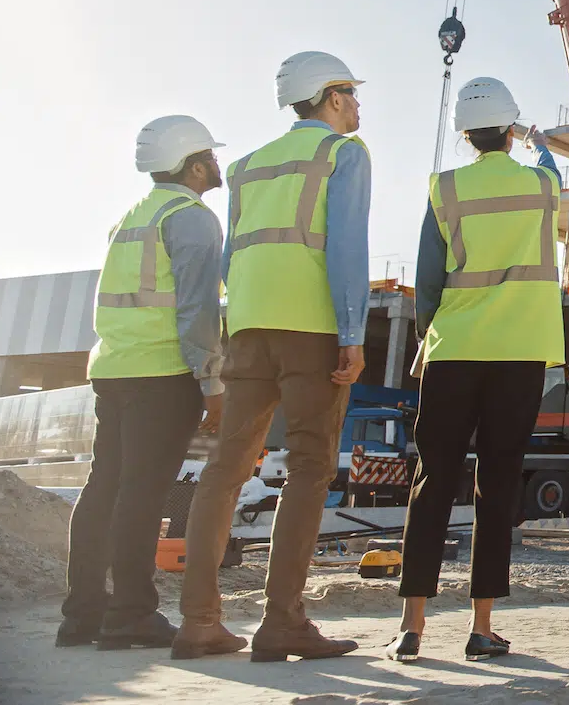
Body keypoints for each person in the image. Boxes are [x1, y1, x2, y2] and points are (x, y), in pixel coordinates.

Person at [173, 51, 371, 663]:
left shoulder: (249, 165)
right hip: (310, 328)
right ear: (332, 98)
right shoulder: (344, 154)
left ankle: (199, 621)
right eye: (354, 95)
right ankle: (281, 620)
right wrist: (352, 332)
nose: (359, 106)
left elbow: (234, 255)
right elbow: (346, 249)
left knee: (226, 470)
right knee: (311, 466)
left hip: (249, 327)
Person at [392, 77, 561, 663]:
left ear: (465, 134)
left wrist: (427, 335)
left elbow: (428, 277)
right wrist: (539, 143)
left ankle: (411, 626)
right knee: (497, 485)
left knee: (432, 481)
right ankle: (481, 627)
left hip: (454, 349)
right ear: (509, 131)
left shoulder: (445, 189)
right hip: (519, 352)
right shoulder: (540, 185)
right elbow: (555, 172)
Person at [58, 117, 229, 651]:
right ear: (196, 164)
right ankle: (131, 613)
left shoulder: (129, 219)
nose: (216, 164)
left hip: (114, 369)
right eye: (210, 155)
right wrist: (212, 380)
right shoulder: (192, 218)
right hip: (163, 373)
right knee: (141, 493)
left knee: (102, 489)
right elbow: (197, 310)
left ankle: (82, 616)